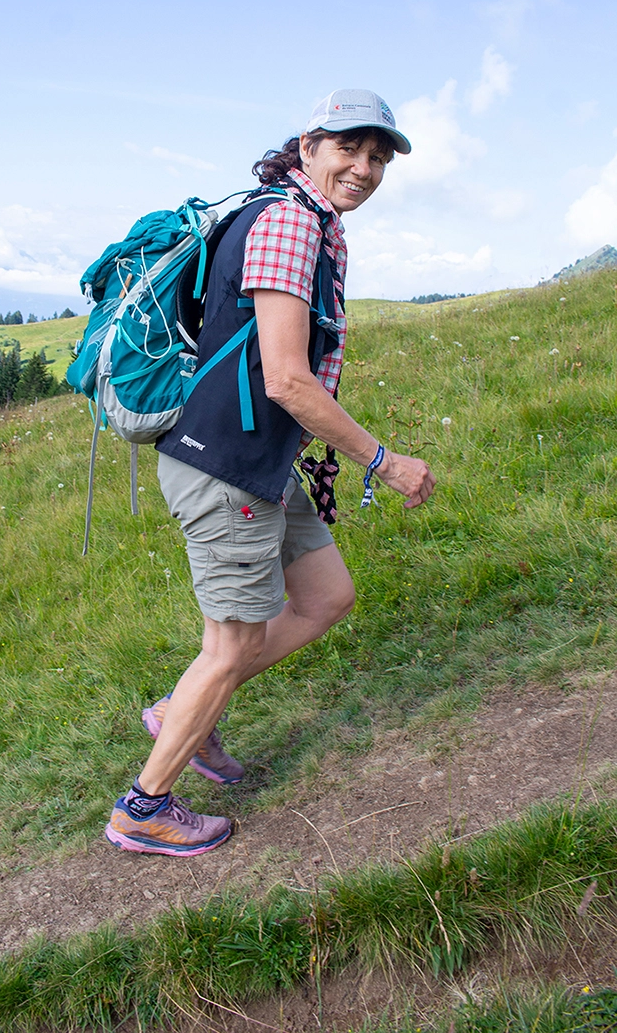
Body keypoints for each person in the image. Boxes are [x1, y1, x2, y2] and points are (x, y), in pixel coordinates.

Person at [105, 89, 436, 856]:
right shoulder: (289, 221)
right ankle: (144, 807)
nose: (364, 168)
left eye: (379, 157)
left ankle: (185, 709)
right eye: (350, 148)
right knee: (228, 646)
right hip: (224, 468)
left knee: (325, 596)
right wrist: (383, 462)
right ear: (310, 144)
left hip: (260, 463)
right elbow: (288, 378)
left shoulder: (308, 217)